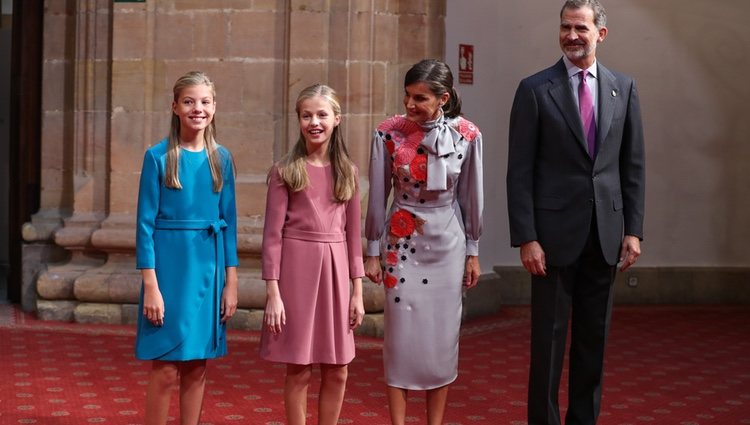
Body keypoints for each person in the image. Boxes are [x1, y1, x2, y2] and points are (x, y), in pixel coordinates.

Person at [506, 1, 646, 424]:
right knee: (547, 347)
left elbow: (632, 166)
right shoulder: (534, 89)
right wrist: (526, 236)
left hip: (604, 234)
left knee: (593, 342)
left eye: (580, 28)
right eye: (565, 27)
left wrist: (633, 230)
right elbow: (519, 171)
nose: (572, 35)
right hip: (550, 240)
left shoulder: (624, 87)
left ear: (600, 34)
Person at [364, 59, 484, 425]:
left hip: (448, 244)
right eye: (407, 96)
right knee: (399, 339)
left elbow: (471, 199)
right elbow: (377, 195)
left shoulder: (468, 135)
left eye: (420, 98)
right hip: (401, 243)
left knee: (441, 341)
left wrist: (473, 252)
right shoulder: (388, 132)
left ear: (443, 98)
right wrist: (371, 250)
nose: (410, 105)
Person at [134, 71, 239, 425]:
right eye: (189, 101)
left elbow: (230, 224)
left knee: (197, 366)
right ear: (175, 106)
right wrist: (151, 286)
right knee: (165, 368)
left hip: (209, 269)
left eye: (205, 102)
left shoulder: (222, 158)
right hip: (168, 272)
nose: (198, 108)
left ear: (215, 107)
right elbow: (144, 226)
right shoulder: (158, 157)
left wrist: (232, 283)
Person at [259, 83, 365, 425]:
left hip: (336, 273)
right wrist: (273, 294)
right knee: (300, 366)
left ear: (337, 119)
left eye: (322, 114)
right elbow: (272, 237)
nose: (314, 122)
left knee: (338, 369)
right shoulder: (285, 171)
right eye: (307, 115)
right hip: (296, 273)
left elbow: (353, 238)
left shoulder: (348, 172)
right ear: (299, 120)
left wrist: (358, 292)